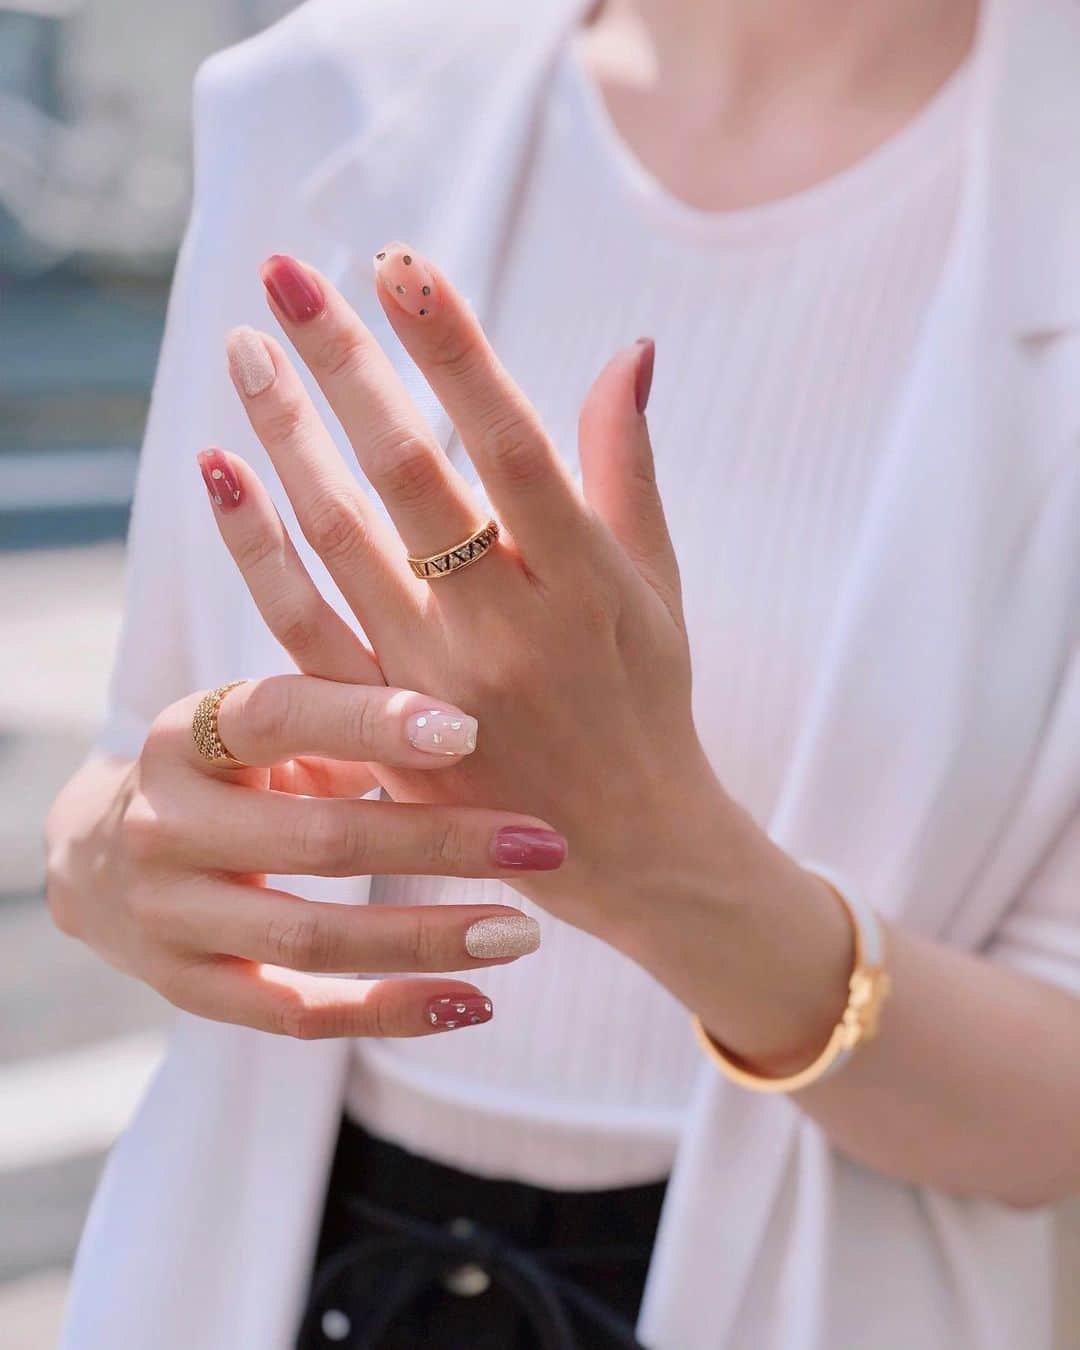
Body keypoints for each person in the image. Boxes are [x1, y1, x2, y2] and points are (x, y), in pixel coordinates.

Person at [46, 0, 1080, 1347]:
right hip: (268, 1268)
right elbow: (134, 761)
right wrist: (114, 851)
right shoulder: (318, 99)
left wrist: (664, 863)